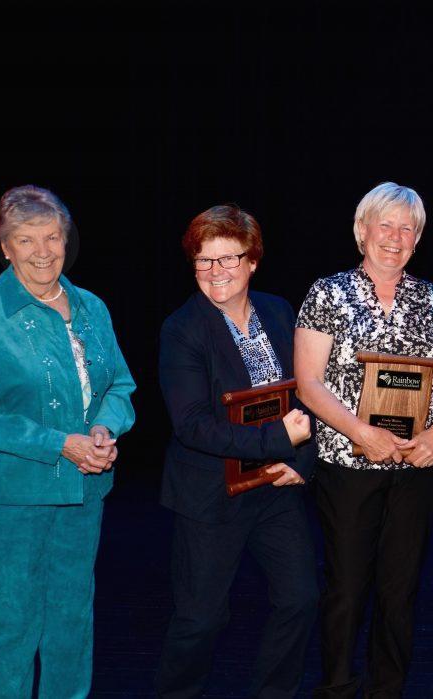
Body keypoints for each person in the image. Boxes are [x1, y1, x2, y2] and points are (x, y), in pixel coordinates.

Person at [0, 184, 137, 697]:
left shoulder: (91, 306)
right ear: (5, 247)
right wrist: (60, 443)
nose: (43, 251)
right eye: (26, 240)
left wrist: (103, 428)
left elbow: (120, 384)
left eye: (52, 237)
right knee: (10, 630)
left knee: (72, 626)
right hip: (7, 499)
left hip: (81, 492)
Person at [294, 181, 433, 699]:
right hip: (347, 464)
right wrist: (362, 432)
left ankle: (388, 690)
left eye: (407, 228)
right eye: (385, 225)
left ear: (418, 239)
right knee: (346, 589)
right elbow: (309, 382)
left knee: (400, 591)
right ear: (362, 231)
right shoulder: (328, 293)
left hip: (416, 468)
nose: (396, 237)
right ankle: (338, 688)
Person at [155, 204, 318, 699]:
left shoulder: (279, 311)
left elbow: (307, 395)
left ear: (253, 262)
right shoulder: (182, 328)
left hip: (275, 489)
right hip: (210, 497)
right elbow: (192, 426)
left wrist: (301, 462)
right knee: (201, 619)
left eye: (229, 259)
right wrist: (279, 442)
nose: (215, 271)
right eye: (205, 261)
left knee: (300, 599)